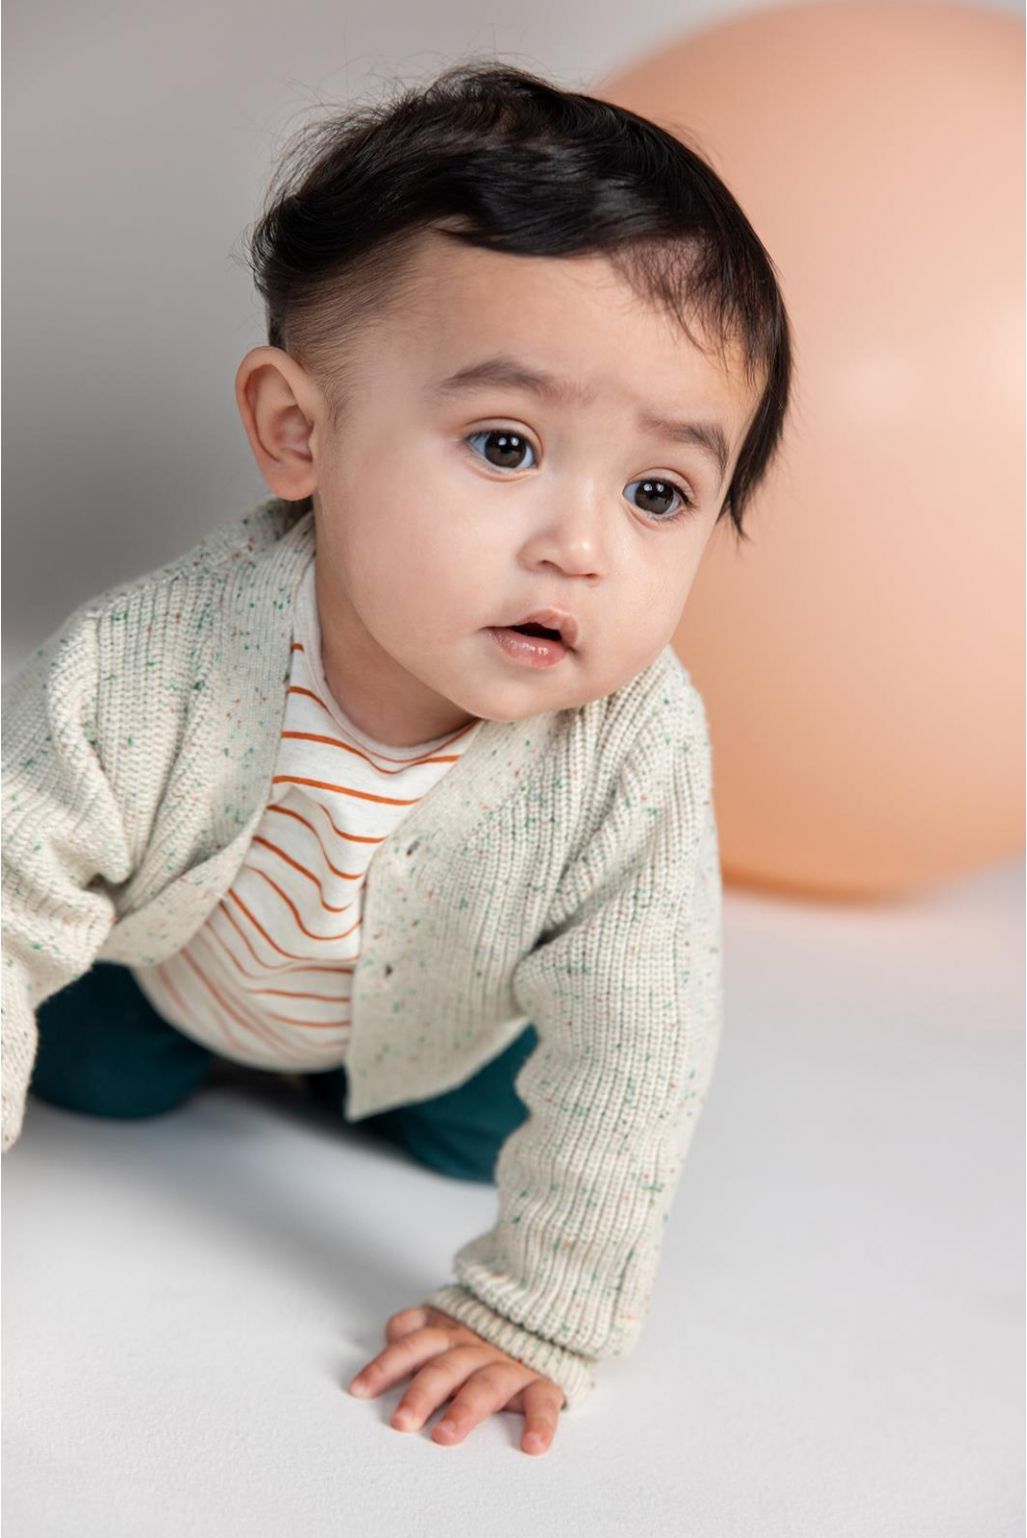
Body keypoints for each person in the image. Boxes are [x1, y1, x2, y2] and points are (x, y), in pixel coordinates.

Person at [1, 61, 793, 1456]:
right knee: (96, 1078)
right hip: (177, 968)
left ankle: (380, 1090)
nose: (581, 546)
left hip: (446, 1026)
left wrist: (542, 1311)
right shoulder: (148, 661)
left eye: (657, 490)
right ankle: (174, 1046)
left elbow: (641, 1037)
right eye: (506, 444)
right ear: (299, 431)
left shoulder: (634, 740)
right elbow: (10, 898)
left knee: (477, 1138)